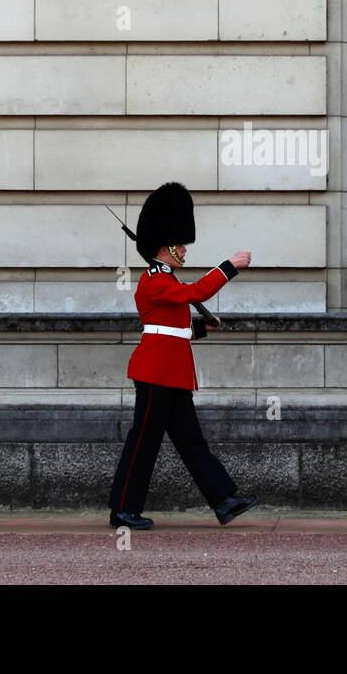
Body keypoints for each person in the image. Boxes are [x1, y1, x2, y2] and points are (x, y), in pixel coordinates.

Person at [108, 181, 258, 530]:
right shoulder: (153, 281)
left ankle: (224, 499)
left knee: (191, 441)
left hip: (171, 374)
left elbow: (176, 331)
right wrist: (229, 266)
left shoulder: (168, 282)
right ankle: (122, 511)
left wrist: (206, 329)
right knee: (143, 442)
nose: (185, 252)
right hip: (155, 373)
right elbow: (198, 290)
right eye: (181, 246)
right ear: (167, 248)